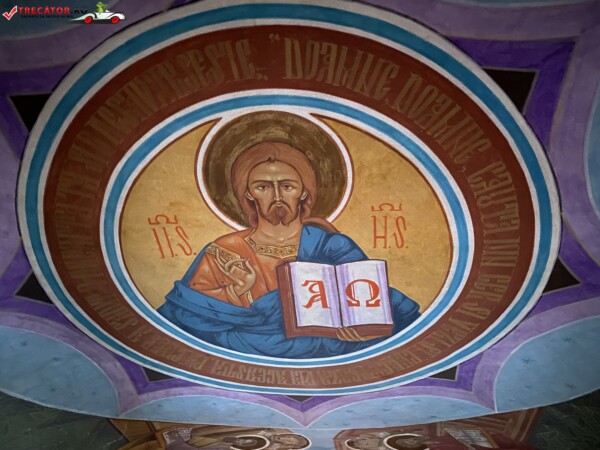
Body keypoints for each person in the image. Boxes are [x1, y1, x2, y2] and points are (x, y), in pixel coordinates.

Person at [158, 141, 420, 358]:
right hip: (244, 349)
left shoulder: (332, 245)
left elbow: (373, 303)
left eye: (287, 186)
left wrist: (364, 329)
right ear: (248, 194)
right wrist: (237, 292)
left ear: (303, 192)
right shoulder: (224, 251)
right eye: (263, 187)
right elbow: (186, 315)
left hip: (327, 351)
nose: (277, 196)